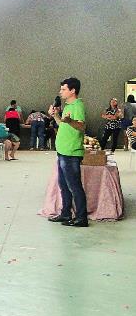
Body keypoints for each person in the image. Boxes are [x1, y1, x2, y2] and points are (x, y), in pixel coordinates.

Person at [48, 77, 88, 227]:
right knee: (64, 185)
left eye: (64, 89)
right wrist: (55, 115)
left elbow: (81, 126)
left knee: (74, 186)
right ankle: (65, 214)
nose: (61, 91)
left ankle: (81, 218)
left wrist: (69, 121)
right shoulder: (68, 106)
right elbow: (63, 124)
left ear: (73, 90)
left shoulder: (78, 105)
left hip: (71, 153)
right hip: (63, 151)